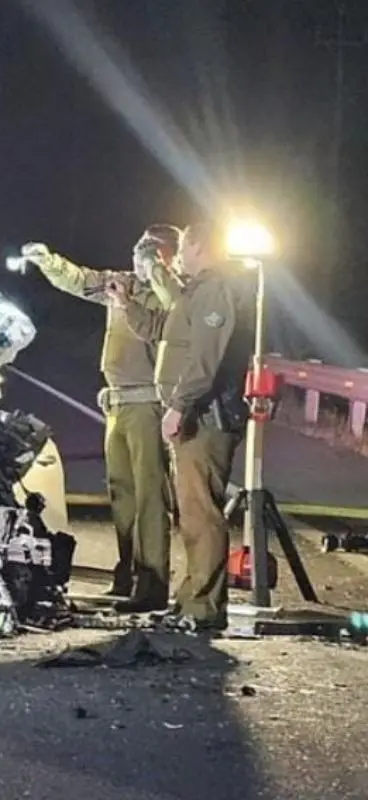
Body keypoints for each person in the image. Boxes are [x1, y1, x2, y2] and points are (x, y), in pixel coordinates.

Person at [20, 226, 182, 612]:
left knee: (149, 497)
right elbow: (79, 280)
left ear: (165, 258)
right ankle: (126, 576)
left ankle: (153, 583)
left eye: (148, 254)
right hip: (117, 404)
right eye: (136, 252)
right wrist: (47, 260)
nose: (137, 261)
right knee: (122, 495)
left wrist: (141, 291)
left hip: (148, 404)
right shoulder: (120, 283)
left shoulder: (174, 293)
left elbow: (167, 323)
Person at [140, 221, 254, 630]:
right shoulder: (197, 289)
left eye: (185, 245)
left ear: (200, 246)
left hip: (205, 418)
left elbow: (204, 363)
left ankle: (203, 609)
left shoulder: (214, 290)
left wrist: (178, 406)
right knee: (190, 513)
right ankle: (191, 599)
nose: (179, 254)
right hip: (194, 416)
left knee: (202, 514)